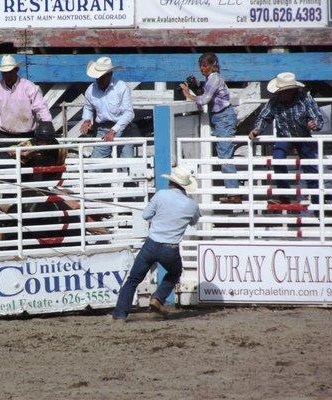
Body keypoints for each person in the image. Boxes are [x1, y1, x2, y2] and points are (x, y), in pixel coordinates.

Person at [112, 166, 201, 321]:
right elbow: (193, 221)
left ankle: (120, 314)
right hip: (170, 249)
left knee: (133, 280)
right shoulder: (191, 205)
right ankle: (158, 298)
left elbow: (146, 216)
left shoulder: (161, 195)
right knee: (174, 273)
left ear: (171, 182)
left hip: (151, 245)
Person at [249, 72, 324, 205]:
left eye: (283, 92)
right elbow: (264, 117)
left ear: (292, 91)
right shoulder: (275, 101)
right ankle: (284, 195)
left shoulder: (305, 99)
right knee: (277, 159)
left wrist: (314, 124)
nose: (281, 94)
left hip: (303, 137)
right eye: (280, 92)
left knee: (311, 167)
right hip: (284, 136)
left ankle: (318, 200)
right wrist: (257, 129)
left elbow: (317, 117)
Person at [180, 52, 240, 204]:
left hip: (223, 118)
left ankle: (233, 193)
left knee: (225, 155)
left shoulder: (214, 79)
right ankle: (231, 191)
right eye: (201, 65)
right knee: (224, 153)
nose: (202, 68)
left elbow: (205, 99)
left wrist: (189, 94)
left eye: (205, 65)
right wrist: (197, 87)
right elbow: (208, 95)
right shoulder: (212, 79)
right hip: (222, 117)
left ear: (212, 66)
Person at [0, 54, 52, 153]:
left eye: (9, 72)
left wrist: (47, 125)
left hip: (28, 136)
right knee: (5, 168)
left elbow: (41, 107)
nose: (7, 75)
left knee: (28, 167)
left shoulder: (28, 87)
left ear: (16, 70)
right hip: (4, 136)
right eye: (4, 73)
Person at [80, 56, 138, 159]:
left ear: (110, 74)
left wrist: (113, 130)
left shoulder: (121, 87)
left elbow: (129, 113)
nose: (99, 79)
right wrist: (87, 119)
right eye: (97, 77)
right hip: (102, 129)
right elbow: (88, 107)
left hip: (123, 129)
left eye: (102, 77)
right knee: (95, 164)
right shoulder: (91, 89)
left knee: (127, 164)